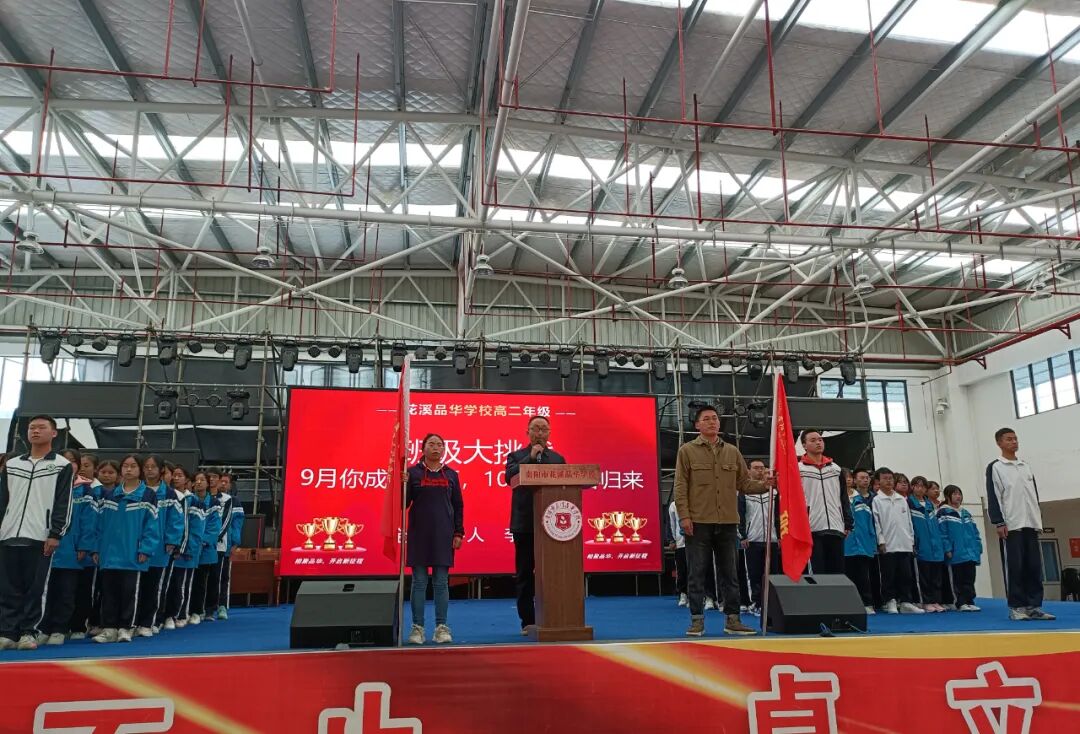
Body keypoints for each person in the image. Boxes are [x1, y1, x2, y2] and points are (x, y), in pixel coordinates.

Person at [673, 405, 766, 637]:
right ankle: (697, 620)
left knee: (730, 574)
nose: (712, 422)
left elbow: (744, 484)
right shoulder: (687, 451)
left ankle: (733, 620)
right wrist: (684, 516)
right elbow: (680, 486)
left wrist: (766, 485)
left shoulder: (732, 451)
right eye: (706, 419)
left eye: (715, 418)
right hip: (698, 522)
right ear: (697, 425)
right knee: (697, 573)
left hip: (727, 522)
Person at [0, 416, 74, 651]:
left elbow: (64, 502)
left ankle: (29, 631)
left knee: (35, 588)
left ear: (54, 433)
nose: (35, 431)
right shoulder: (13, 464)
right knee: (7, 587)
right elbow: (3, 499)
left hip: (40, 536)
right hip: (8, 534)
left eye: (42, 427)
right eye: (32, 427)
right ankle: (7, 632)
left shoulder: (61, 465)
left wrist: (56, 533)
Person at [505, 415, 565, 635]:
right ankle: (527, 621)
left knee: (553, 572)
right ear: (527, 432)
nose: (540, 433)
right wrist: (530, 458)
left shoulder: (558, 459)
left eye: (543, 429)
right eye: (535, 428)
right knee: (525, 574)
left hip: (553, 526)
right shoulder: (516, 456)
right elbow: (509, 477)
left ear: (549, 433)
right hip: (525, 524)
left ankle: (555, 616)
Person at [986, 428, 1055, 621]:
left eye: (1015, 438)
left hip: (1031, 522)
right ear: (999, 443)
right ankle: (1017, 607)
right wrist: (999, 521)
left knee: (1034, 566)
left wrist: (1038, 518)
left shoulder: (1025, 466)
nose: (1014, 442)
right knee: (1015, 567)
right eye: (1009, 439)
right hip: (1012, 524)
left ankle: (1034, 606)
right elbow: (993, 495)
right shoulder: (996, 467)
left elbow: (1033, 494)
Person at [93, 455, 159, 644]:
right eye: (125, 466)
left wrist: (146, 549)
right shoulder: (109, 494)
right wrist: (96, 549)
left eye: (133, 466)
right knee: (108, 592)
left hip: (132, 554)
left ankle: (126, 627)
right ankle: (109, 628)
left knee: (130, 593)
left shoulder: (148, 495)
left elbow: (152, 526)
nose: (128, 470)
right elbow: (98, 525)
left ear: (140, 470)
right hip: (109, 554)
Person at [405, 434, 464, 645]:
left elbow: (458, 505)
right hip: (419, 534)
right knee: (419, 582)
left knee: (440, 582)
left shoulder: (451, 475)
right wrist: (402, 485)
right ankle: (417, 628)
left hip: (443, 534)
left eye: (440, 445)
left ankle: (441, 627)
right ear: (423, 449)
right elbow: (403, 504)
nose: (436, 448)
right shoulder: (412, 473)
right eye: (431, 444)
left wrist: (458, 533)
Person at [40, 449, 97, 645]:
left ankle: (60, 628)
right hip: (45, 549)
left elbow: (89, 522)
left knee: (66, 592)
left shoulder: (85, 491)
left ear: (78, 466)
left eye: (72, 461)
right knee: (46, 592)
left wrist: (84, 546)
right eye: (64, 460)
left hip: (70, 550)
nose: (67, 464)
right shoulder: (46, 485)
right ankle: (44, 627)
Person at [136, 455, 185, 637]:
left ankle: (153, 621)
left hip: (160, 548)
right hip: (138, 546)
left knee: (156, 586)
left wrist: (172, 540)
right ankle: (135, 621)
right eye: (146, 466)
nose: (149, 470)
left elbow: (176, 520)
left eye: (153, 467)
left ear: (161, 470)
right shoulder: (137, 491)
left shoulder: (170, 494)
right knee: (137, 586)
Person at [798, 431, 852, 575]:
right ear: (804, 445)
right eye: (813, 440)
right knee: (818, 574)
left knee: (837, 573)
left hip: (835, 526)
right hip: (812, 527)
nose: (818, 442)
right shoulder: (799, 469)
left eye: (820, 439)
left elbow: (843, 497)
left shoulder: (836, 469)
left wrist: (847, 522)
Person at [871, 467, 923, 615]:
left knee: (906, 574)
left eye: (890, 478)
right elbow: (876, 522)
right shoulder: (877, 500)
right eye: (885, 478)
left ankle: (906, 601)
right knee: (888, 575)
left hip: (905, 542)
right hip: (888, 544)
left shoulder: (901, 499)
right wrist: (881, 541)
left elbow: (909, 521)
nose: (889, 481)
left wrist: (911, 540)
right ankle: (890, 601)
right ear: (878, 481)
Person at [79, 459, 118, 638]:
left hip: (112, 548)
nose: (107, 475)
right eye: (104, 472)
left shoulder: (119, 494)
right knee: (91, 588)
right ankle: (90, 621)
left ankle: (102, 622)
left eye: (111, 472)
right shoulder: (92, 492)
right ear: (97, 472)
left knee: (107, 588)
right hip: (93, 547)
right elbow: (92, 522)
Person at [738, 459, 779, 615]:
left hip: (771, 539)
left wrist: (779, 535)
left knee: (772, 574)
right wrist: (742, 535)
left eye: (762, 468)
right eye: (755, 468)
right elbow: (740, 515)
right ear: (749, 471)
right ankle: (754, 602)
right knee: (753, 574)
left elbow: (778, 516)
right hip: (752, 539)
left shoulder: (774, 492)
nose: (760, 471)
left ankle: (770, 603)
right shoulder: (744, 493)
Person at [163, 465, 199, 630]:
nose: (176, 478)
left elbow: (193, 527)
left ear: (187, 480)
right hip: (166, 548)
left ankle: (180, 614)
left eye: (180, 475)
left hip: (184, 549)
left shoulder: (192, 500)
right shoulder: (167, 495)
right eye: (174, 475)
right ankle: (164, 615)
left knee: (180, 584)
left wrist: (186, 548)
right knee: (167, 584)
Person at [938, 485, 982, 612]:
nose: (958, 496)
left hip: (970, 552)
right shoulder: (944, 512)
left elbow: (975, 532)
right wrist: (947, 548)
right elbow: (942, 532)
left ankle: (970, 601)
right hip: (956, 552)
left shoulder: (966, 513)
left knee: (970, 578)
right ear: (948, 496)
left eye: (959, 494)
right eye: (955, 494)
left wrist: (977, 546)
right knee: (958, 579)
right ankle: (960, 602)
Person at [909, 476, 946, 612]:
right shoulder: (909, 503)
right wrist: (914, 543)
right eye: (917, 486)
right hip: (922, 545)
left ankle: (936, 600)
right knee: (924, 576)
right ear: (912, 487)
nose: (920, 489)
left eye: (923, 486)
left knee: (936, 576)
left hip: (935, 546)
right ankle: (925, 601)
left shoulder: (930, 504)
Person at [189, 470, 221, 625]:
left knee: (205, 581)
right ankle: (191, 610)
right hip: (190, 546)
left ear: (208, 483)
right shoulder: (189, 499)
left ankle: (206, 610)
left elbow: (214, 526)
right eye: (196, 480)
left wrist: (203, 541)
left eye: (202, 480)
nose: (199, 482)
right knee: (191, 581)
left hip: (206, 549)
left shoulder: (214, 503)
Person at [844, 472, 877, 614]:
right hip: (846, 544)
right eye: (844, 478)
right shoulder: (838, 499)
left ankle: (867, 603)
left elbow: (870, 523)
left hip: (863, 544)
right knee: (848, 576)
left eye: (849, 477)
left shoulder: (862, 500)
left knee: (864, 576)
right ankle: (851, 604)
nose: (848, 480)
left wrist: (873, 542)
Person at [213, 471, 244, 621]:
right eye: (221, 481)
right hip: (208, 544)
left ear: (230, 485)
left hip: (225, 544)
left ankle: (222, 605)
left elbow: (237, 523)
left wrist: (235, 542)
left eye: (226, 482)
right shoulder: (210, 499)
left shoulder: (234, 501)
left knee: (223, 576)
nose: (223, 484)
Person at [668, 498, 687, 607]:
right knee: (682, 570)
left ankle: (698, 595)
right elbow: (671, 523)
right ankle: (683, 593)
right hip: (680, 543)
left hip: (696, 543)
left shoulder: (696, 502)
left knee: (696, 570)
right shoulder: (674, 505)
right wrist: (672, 540)